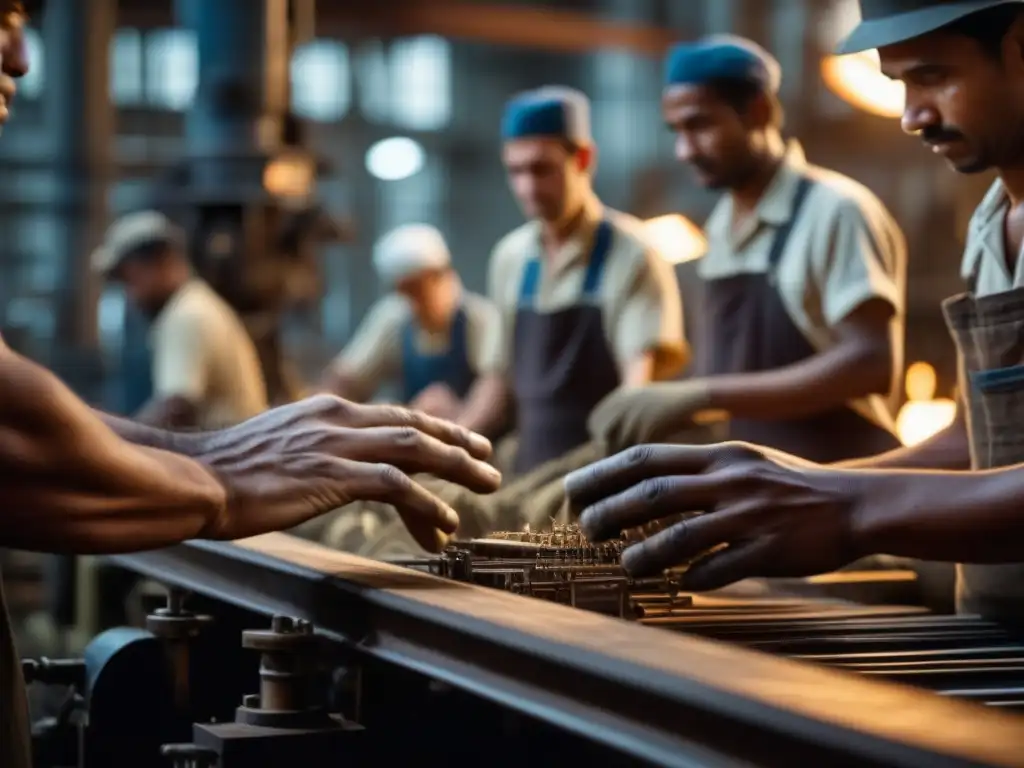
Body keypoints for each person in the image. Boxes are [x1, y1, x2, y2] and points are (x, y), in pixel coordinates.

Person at [0, 8, 501, 767]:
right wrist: (220, 477)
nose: (21, 55)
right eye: (1, 14)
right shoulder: (192, 312)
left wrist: (213, 458)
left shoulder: (191, 314)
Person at [564, 0, 1024, 625]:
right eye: (901, 85)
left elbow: (866, 363)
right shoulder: (991, 223)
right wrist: (793, 486)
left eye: (934, 75)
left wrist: (849, 504)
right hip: (996, 618)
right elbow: (976, 440)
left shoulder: (834, 210)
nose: (912, 116)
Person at [587, 36, 907, 464]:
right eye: (676, 131)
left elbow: (870, 361)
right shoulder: (720, 227)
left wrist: (702, 394)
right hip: (751, 484)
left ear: (760, 111)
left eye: (700, 126)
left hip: (838, 481)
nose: (684, 151)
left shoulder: (835, 211)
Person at [490, 85, 688, 476]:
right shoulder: (511, 257)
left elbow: (637, 387)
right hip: (527, 474)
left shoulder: (632, 253)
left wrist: (602, 467)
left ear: (582, 158)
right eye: (516, 171)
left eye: (542, 169)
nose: (528, 188)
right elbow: (498, 381)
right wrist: (445, 440)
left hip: (601, 475)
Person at [320, 224, 506, 436]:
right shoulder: (394, 318)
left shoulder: (481, 318)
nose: (413, 303)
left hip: (471, 443)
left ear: (439, 276)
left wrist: (460, 430)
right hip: (416, 440)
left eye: (418, 291)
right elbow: (347, 379)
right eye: (404, 293)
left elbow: (493, 388)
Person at [93, 210, 269, 429]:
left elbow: (175, 408)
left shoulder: (187, 315)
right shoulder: (195, 302)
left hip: (226, 460)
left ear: (162, 262)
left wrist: (115, 443)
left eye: (131, 279)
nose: (130, 295)